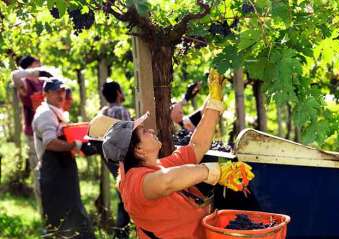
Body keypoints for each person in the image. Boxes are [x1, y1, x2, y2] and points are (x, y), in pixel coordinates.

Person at [102, 70, 255, 239]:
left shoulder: (160, 166)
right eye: (144, 131)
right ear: (138, 150)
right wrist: (214, 171)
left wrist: (214, 103)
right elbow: (166, 181)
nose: (151, 130)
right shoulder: (134, 183)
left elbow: (197, 145)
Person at [32, 78, 97, 239]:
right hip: (54, 174)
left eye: (62, 91)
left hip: (63, 171)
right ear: (45, 94)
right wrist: (77, 145)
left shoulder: (55, 112)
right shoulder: (46, 114)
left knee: (71, 215)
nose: (61, 95)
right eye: (56, 92)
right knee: (62, 218)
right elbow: (50, 143)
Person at [11, 55, 52, 215]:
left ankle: (56, 214)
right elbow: (14, 76)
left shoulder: (43, 83)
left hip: (50, 131)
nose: (40, 67)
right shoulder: (24, 85)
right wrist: (33, 71)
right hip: (33, 135)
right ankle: (45, 216)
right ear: (28, 68)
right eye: (36, 65)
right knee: (39, 174)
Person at [99, 81, 132, 238]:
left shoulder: (103, 112)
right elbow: (129, 136)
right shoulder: (122, 112)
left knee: (122, 196)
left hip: (110, 161)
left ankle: (121, 233)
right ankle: (122, 234)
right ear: (119, 93)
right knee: (129, 198)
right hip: (124, 159)